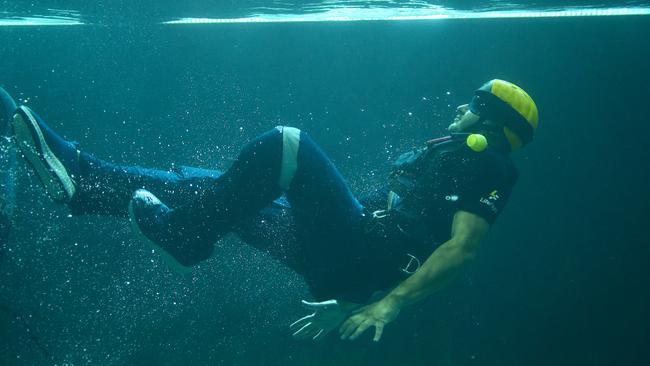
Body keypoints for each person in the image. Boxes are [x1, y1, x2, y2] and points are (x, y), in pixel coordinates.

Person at [2, 79, 538, 342]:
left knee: (287, 145)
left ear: (491, 119)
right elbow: (414, 242)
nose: (459, 110)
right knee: (217, 191)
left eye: (471, 105)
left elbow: (461, 249)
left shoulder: (489, 161)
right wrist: (354, 296)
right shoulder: (462, 162)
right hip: (346, 262)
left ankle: (183, 239)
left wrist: (387, 306)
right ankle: (84, 182)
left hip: (355, 251)